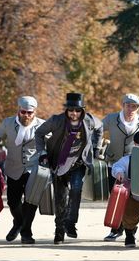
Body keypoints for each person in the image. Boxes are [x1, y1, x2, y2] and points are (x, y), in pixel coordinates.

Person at [35, 92, 103, 244]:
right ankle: (59, 230)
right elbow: (39, 133)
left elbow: (100, 127)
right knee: (60, 197)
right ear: (66, 110)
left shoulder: (89, 120)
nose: (74, 113)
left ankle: (70, 224)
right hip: (58, 163)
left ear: (82, 110)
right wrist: (42, 152)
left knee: (76, 190)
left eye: (77, 110)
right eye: (71, 110)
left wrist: (96, 147)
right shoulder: (56, 120)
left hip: (78, 163)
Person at [0, 96, 45, 244]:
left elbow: (52, 143)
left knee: (30, 202)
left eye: (30, 112)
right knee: (13, 202)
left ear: (35, 112)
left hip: (33, 169)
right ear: (18, 110)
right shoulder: (8, 123)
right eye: (23, 112)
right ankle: (18, 222)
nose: (26, 115)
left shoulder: (42, 125)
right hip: (13, 168)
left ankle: (26, 233)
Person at [102, 93, 139, 242]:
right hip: (114, 164)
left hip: (135, 163)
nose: (131, 109)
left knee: (132, 199)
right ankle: (116, 229)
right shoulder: (111, 119)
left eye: (134, 106)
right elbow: (96, 131)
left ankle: (130, 229)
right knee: (116, 197)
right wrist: (99, 145)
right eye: (128, 105)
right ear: (123, 105)